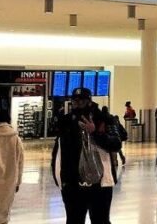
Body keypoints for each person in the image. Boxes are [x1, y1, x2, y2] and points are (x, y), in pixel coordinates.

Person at [52, 87, 122, 224]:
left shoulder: (104, 119)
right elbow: (59, 151)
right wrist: (60, 179)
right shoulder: (66, 122)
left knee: (100, 219)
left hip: (100, 183)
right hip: (72, 183)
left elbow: (116, 143)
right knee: (74, 219)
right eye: (75, 101)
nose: (78, 104)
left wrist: (95, 133)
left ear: (89, 101)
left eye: (81, 101)